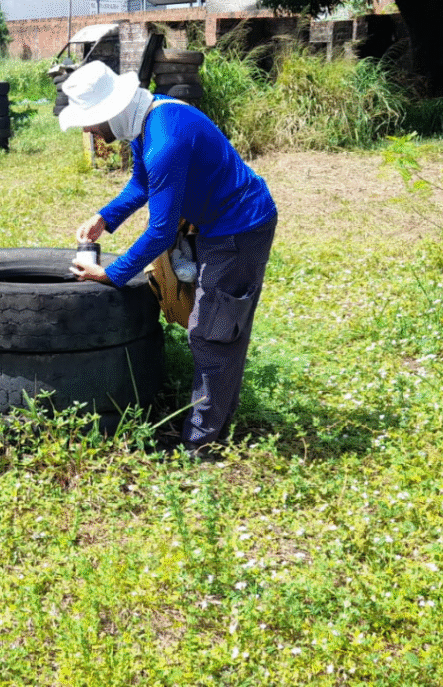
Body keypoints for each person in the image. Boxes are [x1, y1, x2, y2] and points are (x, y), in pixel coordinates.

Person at [58, 60, 278, 456]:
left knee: (212, 332)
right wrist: (104, 218)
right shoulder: (152, 115)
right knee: (213, 325)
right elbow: (142, 182)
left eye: (91, 122)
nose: (90, 131)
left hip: (239, 228)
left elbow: (159, 232)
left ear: (111, 112)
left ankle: (201, 443)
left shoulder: (164, 141)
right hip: (214, 222)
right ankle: (215, 415)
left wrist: (111, 274)